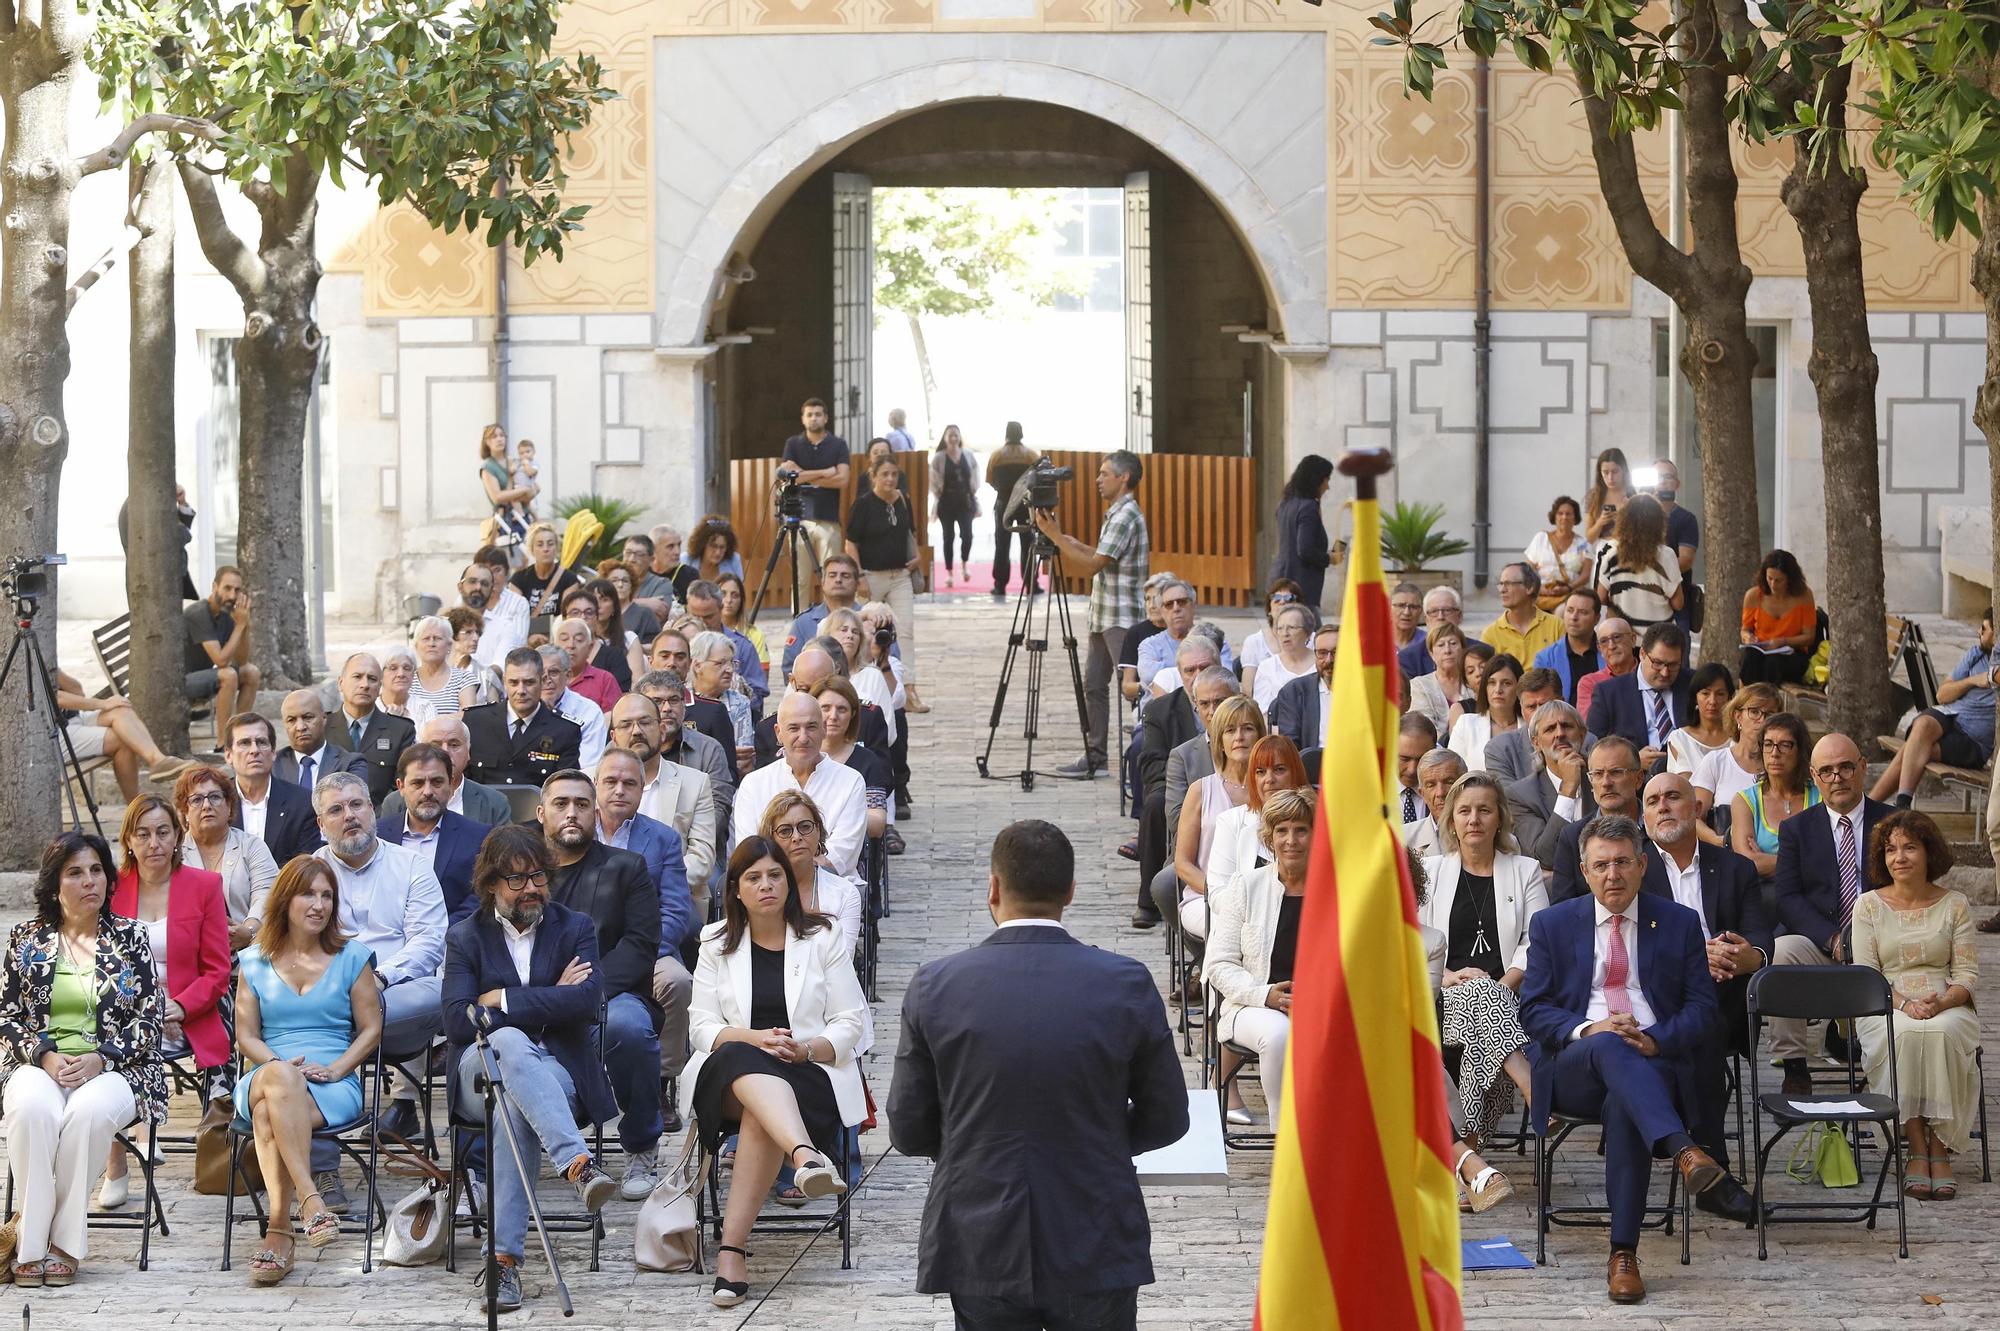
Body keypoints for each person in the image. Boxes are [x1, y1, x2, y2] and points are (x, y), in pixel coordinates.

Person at [890, 818, 1186, 1330]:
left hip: (980, 1230)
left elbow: (908, 1126)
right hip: (1094, 1227)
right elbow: (1168, 1116)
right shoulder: (1125, 983)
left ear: (994, 887)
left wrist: (970, 1141)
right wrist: (1103, 1141)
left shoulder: (935, 985)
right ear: (1071, 891)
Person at [1517, 813, 1724, 1305]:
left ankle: (1623, 1254)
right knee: (1611, 1044)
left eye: (1623, 863)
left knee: (1626, 1106)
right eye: (1601, 865)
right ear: (1585, 872)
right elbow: (1535, 1011)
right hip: (1574, 1064)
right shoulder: (1552, 923)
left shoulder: (1678, 922)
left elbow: (1703, 1009)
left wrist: (1656, 1040)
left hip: (1655, 1064)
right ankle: (1682, 1147)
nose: (1613, 874)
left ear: (1642, 865)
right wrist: (1593, 1029)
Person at [441, 824, 617, 1312]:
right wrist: (547, 997)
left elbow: (586, 1002)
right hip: (478, 1068)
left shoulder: (574, 926)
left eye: (537, 876)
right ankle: (577, 1163)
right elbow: (458, 1020)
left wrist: (503, 998)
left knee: (511, 1108)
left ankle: (503, 1263)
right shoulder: (465, 937)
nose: (530, 888)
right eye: (515, 880)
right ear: (491, 884)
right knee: (509, 1042)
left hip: (557, 1070)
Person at [687, 839, 867, 1307]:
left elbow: (852, 1021)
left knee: (759, 1114)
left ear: (789, 882)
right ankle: (805, 1155)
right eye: (753, 878)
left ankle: (732, 1253)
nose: (766, 885)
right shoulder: (714, 942)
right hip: (725, 1074)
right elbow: (702, 1028)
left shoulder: (822, 937)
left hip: (805, 1073)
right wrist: (756, 1038)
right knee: (743, 1059)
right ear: (736, 889)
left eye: (775, 875)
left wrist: (805, 1050)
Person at [0, 833, 167, 1287]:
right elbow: (8, 1016)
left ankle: (62, 1244)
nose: (89, 880)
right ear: (55, 884)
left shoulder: (132, 937)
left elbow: (150, 1019)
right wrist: (46, 1056)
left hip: (118, 1067)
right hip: (39, 1065)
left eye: (96, 870)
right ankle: (32, 1246)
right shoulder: (26, 939)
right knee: (32, 1108)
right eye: (75, 872)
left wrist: (101, 1058)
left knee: (87, 1113)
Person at [232, 858, 383, 1284]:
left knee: (267, 1113)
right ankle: (311, 1199)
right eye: (307, 894)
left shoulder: (352, 957)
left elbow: (371, 1029)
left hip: (331, 1083)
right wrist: (277, 1064)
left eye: (326, 895)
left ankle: (279, 1231)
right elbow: (247, 1036)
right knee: (280, 1080)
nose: (318, 904)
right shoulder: (255, 960)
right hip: (268, 1069)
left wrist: (337, 1070)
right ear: (286, 900)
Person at [1639, 772, 1768, 1222]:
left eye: (1673, 797)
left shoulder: (1735, 868)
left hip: (1724, 992)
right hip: (1651, 999)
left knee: (1705, 1017)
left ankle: (1698, 1156)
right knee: (1699, 1022)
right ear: (1644, 816)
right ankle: (1712, 1164)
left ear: (1696, 809)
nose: (1663, 807)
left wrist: (1744, 955)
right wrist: (1693, 959)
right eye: (1652, 801)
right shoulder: (1632, 867)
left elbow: (1760, 942)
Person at [534, 769, 667, 1195]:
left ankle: (642, 1146)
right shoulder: (521, 873)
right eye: (561, 804)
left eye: (581, 804)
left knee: (630, 1028)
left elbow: (640, 945)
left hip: (611, 996)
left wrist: (582, 993)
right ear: (541, 813)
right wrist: (549, 996)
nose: (571, 813)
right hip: (534, 998)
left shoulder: (626, 868)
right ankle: (482, 1173)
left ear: (596, 812)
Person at [311, 770, 449, 1172]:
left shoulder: (412, 866)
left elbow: (428, 942)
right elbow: (294, 946)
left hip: (398, 996)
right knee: (311, 1019)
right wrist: (344, 988)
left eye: (357, 805)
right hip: (329, 997)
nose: (349, 815)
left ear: (372, 810)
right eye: (336, 810)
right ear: (321, 825)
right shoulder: (306, 873)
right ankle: (322, 1170)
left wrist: (380, 978)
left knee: (438, 991)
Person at [101, 792, 231, 1205]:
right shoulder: (110, 889)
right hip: (122, 1012)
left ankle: (136, 1135)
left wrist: (179, 1006)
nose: (154, 843)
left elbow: (218, 970)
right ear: (129, 841)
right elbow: (100, 968)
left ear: (178, 836)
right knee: (114, 1042)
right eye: (143, 834)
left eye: (162, 832)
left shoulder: (205, 886)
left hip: (187, 1015)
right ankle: (124, 1152)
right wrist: (145, 1011)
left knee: (123, 1046)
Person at [1851, 810, 1980, 1201]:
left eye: (1910, 847)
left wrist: (1941, 1001)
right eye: (1891, 849)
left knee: (1939, 1032)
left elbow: (1968, 975)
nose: (1899, 857)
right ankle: (1915, 1148)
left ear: (1929, 853)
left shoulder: (1955, 904)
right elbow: (1866, 976)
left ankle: (1939, 1146)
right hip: (1884, 1004)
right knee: (1905, 1034)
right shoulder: (1868, 906)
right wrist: (1905, 1004)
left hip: (1946, 1003)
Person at [1420, 772, 1547, 1149]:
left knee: (1482, 1006)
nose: (1473, 819)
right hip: (1444, 994)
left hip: (1510, 992)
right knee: (1478, 998)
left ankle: (1469, 1147)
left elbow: (1537, 941)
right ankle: (1530, 1085)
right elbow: (1413, 941)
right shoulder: (1431, 871)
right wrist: (1445, 975)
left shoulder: (1525, 870)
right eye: (1464, 811)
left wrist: (1502, 985)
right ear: (1452, 822)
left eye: (1484, 810)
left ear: (1499, 819)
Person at [1770, 732, 1893, 1094]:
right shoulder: (1796, 829)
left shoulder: (1892, 822)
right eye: (1827, 771)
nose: (1837, 777)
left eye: (1845, 768)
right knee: (1781, 953)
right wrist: (1833, 937)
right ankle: (1795, 1067)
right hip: (1823, 940)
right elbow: (1788, 898)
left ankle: (1877, 1061)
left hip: (1883, 940)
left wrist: (1867, 937)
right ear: (1814, 776)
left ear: (1863, 769)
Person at [1203, 787, 1319, 1129]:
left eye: (1301, 830)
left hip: (1320, 1006)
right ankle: (1287, 1140)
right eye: (1282, 831)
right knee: (1279, 1033)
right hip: (1252, 1007)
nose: (1291, 840)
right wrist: (1264, 994)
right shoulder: (1246, 886)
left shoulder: (1336, 892)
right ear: (1269, 839)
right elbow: (1219, 963)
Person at [1034, 450, 1149, 777]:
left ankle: (1145, 751)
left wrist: (1057, 537)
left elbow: (1095, 564)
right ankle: (1095, 754)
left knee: (1132, 687)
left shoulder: (1126, 514)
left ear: (1123, 477)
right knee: (1094, 685)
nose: (1098, 480)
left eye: (1104, 473)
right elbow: (1099, 555)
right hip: (1105, 614)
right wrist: (1064, 538)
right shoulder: (1116, 512)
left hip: (1121, 616)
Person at [594, 747, 698, 1071]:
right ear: (595, 785)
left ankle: (660, 1081)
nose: (619, 790)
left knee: (677, 981)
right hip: (585, 948)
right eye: (610, 781)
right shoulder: (576, 833)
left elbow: (677, 910)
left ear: (642, 789)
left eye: (630, 783)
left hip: (649, 949)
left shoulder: (663, 838)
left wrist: (639, 952)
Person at [736, 693, 868, 879]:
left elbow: (841, 854)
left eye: (811, 727)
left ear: (823, 729)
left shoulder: (851, 781)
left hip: (831, 888)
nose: (803, 737)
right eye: (794, 728)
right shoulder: (753, 784)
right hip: (767, 890)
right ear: (778, 733)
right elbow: (748, 850)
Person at [1871, 606, 1995, 806]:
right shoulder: (1976, 653)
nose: (1978, 632)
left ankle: (1881, 806)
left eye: (1984, 629)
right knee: (1923, 725)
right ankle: (1889, 807)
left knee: (1914, 747)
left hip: (1973, 742)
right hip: (1951, 715)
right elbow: (1942, 695)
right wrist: (1973, 681)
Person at [1166, 696, 1267, 941]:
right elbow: (1183, 864)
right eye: (1230, 730)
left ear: (1260, 736)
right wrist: (1223, 895)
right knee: (1232, 928)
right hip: (1206, 897)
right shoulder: (1201, 791)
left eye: (1247, 728)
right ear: (1220, 741)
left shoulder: (1271, 788)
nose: (1239, 737)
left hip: (1264, 898)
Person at [608, 693, 719, 903]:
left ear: (661, 730)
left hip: (673, 901)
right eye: (626, 725)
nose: (637, 731)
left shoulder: (695, 783)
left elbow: (702, 860)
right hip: (604, 901)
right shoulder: (589, 782)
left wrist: (644, 886)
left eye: (645, 722)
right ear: (613, 737)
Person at [845, 455, 926, 707]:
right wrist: (858, 575)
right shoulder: (863, 504)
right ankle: (862, 684)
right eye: (884, 474)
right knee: (864, 630)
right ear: (873, 476)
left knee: (905, 630)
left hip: (900, 575)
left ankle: (908, 689)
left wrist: (916, 555)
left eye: (894, 474)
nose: (890, 479)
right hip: (871, 575)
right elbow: (851, 543)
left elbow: (909, 533)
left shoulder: (902, 500)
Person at [378, 743, 491, 924]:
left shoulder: (478, 837)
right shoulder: (378, 835)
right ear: (401, 787)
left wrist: (440, 934)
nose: (428, 792)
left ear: (451, 784)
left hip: (451, 942)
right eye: (418, 783)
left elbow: (479, 897)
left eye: (437, 782)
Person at [50, 667, 198, 801]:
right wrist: (101, 703)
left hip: (70, 720)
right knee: (121, 741)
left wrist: (51, 667)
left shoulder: (42, 649)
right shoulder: (26, 658)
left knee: (121, 710)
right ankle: (136, 808)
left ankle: (157, 760)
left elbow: (77, 692)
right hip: (51, 734)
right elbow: (55, 697)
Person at [188, 742, 285, 948]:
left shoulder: (251, 846)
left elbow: (267, 895)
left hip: (247, 954)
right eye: (196, 800)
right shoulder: (174, 852)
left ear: (229, 805)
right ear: (183, 812)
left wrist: (249, 930)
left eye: (214, 797)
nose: (206, 806)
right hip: (189, 955)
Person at [1204, 735, 1308, 918]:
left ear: (1295, 772)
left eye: (1279, 770)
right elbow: (1218, 895)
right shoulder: (1230, 822)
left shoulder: (1315, 821)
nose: (1269, 779)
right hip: (1247, 926)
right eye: (1260, 772)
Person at [760, 790, 865, 960]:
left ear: (818, 830)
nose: (797, 837)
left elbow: (842, 963)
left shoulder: (845, 894)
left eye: (805, 827)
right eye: (785, 831)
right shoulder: (760, 890)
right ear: (771, 839)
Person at [464, 648, 584, 788]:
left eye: (529, 682)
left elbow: (567, 788)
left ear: (542, 681)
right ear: (504, 683)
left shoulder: (565, 731)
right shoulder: (476, 722)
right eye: (514, 682)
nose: (521, 691)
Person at [1549, 736, 1647, 902]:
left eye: (1616, 772)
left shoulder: (1658, 828)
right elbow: (1562, 909)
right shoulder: (1572, 837)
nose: (1606, 783)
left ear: (1638, 779)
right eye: (1598, 774)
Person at [1586, 621, 1691, 772]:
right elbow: (1592, 748)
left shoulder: (1693, 684)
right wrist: (1632, 761)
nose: (1665, 672)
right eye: (1658, 663)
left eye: (1673, 665)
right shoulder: (1609, 694)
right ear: (1642, 653)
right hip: (1635, 783)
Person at [1729, 711, 1820, 880]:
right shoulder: (1744, 800)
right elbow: (1747, 863)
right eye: (1768, 744)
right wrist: (1806, 861)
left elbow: (1831, 859)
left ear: (1800, 750)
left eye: (1785, 745)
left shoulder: (1820, 796)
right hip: (1764, 900)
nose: (1775, 753)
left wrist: (1769, 861)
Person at [380, 715, 513, 827]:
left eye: (454, 745)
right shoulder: (394, 802)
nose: (445, 752)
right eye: (435, 745)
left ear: (468, 752)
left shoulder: (494, 802)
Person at [1506, 700, 1590, 870]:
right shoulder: (1520, 795)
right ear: (1536, 743)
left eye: (1566, 726)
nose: (1559, 733)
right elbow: (1545, 858)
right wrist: (1568, 789)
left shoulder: (1603, 777)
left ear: (1582, 735)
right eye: (1550, 729)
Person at [812, 676, 895, 847]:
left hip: (852, 853)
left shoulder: (867, 761)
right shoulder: (798, 756)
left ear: (853, 714)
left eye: (842, 709)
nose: (833, 716)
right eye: (825, 708)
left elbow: (877, 823)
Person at [326, 652, 417, 806]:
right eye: (357, 677)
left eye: (372, 679)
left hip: (380, 821)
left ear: (380, 687)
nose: (365, 685)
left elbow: (402, 788)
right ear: (340, 683)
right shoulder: (323, 727)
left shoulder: (400, 730)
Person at [777, 397, 852, 571]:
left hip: (829, 520)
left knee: (832, 575)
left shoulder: (838, 445)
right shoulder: (793, 444)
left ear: (826, 418)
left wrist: (802, 474)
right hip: (799, 520)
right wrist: (824, 473)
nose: (814, 418)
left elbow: (843, 480)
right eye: (809, 415)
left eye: (818, 414)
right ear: (803, 419)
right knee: (800, 580)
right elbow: (787, 479)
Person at [1691, 683, 1779, 827]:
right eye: (1754, 712)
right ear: (1738, 716)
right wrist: (1719, 841)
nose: (1762, 720)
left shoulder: (1780, 763)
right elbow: (1694, 818)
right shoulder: (1716, 762)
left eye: (1769, 715)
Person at [1592, 495, 1683, 632]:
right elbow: (1678, 603)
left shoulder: (1611, 553)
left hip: (1620, 636)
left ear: (1623, 520)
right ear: (1658, 522)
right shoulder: (1666, 555)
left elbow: (1601, 597)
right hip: (1657, 638)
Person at [183, 565, 262, 722]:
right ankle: (223, 743)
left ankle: (241, 729)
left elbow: (242, 661)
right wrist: (239, 626)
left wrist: (244, 625)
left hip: (200, 679)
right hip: (179, 683)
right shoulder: (198, 613)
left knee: (251, 672)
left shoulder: (226, 613)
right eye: (227, 588)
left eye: (237, 590)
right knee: (228, 675)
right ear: (215, 587)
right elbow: (220, 661)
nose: (232, 595)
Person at [1737, 549, 1818, 686]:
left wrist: (1783, 641)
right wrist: (1748, 637)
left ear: (1790, 579)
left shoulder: (1804, 596)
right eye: (1770, 578)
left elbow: (1809, 637)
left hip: (1791, 652)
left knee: (1773, 662)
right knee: (1749, 657)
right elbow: (1745, 630)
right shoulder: (1753, 596)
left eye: (1779, 580)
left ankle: (1769, 702)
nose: (1773, 584)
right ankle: (1747, 699)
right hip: (1761, 649)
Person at [1271, 454, 1334, 610]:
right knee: (1309, 630)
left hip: (1281, 581)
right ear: (1317, 480)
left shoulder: (1286, 503)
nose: (1328, 486)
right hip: (1300, 587)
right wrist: (1329, 558)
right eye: (1327, 480)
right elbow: (1305, 549)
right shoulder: (1308, 507)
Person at [985, 421, 1040, 598]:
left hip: (1004, 503)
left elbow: (990, 479)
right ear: (1021, 434)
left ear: (1006, 435)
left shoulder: (997, 456)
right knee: (1028, 543)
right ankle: (1031, 583)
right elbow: (1036, 480)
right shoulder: (1031, 455)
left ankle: (1000, 585)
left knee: (1002, 544)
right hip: (1025, 504)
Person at [117, 481, 198, 601]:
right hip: (152, 586)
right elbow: (177, 538)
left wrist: (182, 503)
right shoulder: (141, 507)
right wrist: (180, 528)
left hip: (162, 584)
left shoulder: (145, 502)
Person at [1484, 668, 1565, 786]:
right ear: (1521, 709)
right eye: (1531, 707)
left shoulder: (1585, 742)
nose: (1538, 714)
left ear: (1562, 704)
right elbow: (1508, 798)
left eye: (1544, 706)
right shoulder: (1499, 749)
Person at [1448, 651, 1523, 774]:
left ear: (1519, 687)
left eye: (1506, 683)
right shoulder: (1466, 724)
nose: (1498, 690)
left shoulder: (1532, 727)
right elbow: (1451, 772)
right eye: (1492, 683)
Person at [1268, 623, 1338, 753]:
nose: (1329, 660)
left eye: (1336, 652)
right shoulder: (1294, 693)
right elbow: (1290, 748)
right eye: (1322, 653)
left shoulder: (1365, 692)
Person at [1531, 588, 1604, 705]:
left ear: (1597, 618)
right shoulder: (1545, 658)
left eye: (1583, 612)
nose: (1574, 617)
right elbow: (1541, 703)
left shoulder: (1609, 652)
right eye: (1570, 610)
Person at [405, 616, 480, 728]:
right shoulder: (407, 679)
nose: (431, 644)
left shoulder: (464, 679)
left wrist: (428, 721)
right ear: (416, 646)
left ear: (449, 645)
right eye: (426, 638)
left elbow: (469, 716)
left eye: (437, 638)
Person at [929, 424, 979, 588]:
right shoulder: (939, 457)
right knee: (948, 537)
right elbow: (933, 478)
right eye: (950, 435)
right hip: (946, 502)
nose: (953, 438)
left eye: (955, 435)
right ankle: (949, 572)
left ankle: (964, 565)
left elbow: (975, 474)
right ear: (945, 438)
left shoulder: (968, 455)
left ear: (959, 437)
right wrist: (938, 493)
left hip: (965, 501)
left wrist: (973, 491)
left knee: (968, 535)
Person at [1525, 495, 1595, 613]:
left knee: (1562, 613)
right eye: (1560, 513)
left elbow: (1586, 575)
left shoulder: (1583, 544)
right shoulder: (1541, 538)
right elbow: (1528, 568)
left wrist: (1568, 588)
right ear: (1554, 516)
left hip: (1568, 595)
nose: (1564, 517)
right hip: (1541, 593)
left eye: (1569, 514)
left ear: (1575, 517)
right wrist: (1538, 588)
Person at [1483, 562, 1563, 663]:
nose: (1502, 590)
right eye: (1501, 584)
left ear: (1529, 588)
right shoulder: (1491, 634)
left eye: (1508, 584)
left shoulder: (1556, 626)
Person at [1667, 662, 1736, 777]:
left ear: (1729, 698)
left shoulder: (1737, 737)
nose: (1712, 701)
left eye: (1720, 694)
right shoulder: (1680, 738)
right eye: (1705, 693)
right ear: (1695, 698)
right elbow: (1686, 784)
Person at [458, 558, 527, 673]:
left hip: (487, 689)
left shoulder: (505, 628)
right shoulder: (444, 626)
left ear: (491, 591)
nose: (478, 587)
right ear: (460, 587)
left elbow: (500, 668)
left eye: (484, 584)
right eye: (472, 581)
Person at [1408, 621, 1475, 736]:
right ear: (1431, 653)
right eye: (1440, 645)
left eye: (1453, 643)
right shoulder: (1419, 686)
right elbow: (1424, 728)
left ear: (1463, 649)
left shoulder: (1475, 683)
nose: (1447, 650)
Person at [478, 423, 537, 550]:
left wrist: (526, 491)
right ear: (487, 442)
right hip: (506, 520)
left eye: (502, 435)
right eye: (494, 436)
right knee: (515, 560)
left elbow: (534, 487)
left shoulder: (514, 461)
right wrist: (523, 490)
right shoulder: (488, 467)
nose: (499, 439)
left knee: (529, 559)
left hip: (525, 515)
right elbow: (498, 497)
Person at [1249, 603, 1315, 714]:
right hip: (1278, 730)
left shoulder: (1321, 663)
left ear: (1307, 632)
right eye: (1280, 628)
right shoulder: (1267, 667)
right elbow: (1262, 714)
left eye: (1292, 628)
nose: (1285, 633)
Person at [549, 616, 622, 715]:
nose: (571, 645)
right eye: (564, 639)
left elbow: (614, 719)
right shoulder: (545, 680)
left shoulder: (605, 680)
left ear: (590, 648)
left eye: (578, 639)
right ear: (554, 646)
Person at [509, 521, 580, 623]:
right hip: (527, 635)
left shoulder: (569, 579)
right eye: (540, 545)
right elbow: (515, 618)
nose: (545, 549)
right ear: (532, 549)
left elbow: (567, 617)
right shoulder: (518, 580)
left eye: (550, 544)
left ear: (557, 548)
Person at [1407, 748, 1466, 859]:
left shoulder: (1489, 835)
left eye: (1449, 782)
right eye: (1431, 785)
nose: (1440, 793)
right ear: (1422, 794)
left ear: (1465, 786)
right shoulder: (1403, 839)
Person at [1398, 585, 1465, 680]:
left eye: (1447, 610)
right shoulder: (1408, 658)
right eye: (1434, 611)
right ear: (1426, 620)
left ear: (1459, 616)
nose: (1440, 617)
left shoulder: (1481, 652)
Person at [715, 572, 769, 680]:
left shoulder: (755, 635)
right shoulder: (703, 630)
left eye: (735, 595)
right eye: (723, 594)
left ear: (741, 601)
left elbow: (762, 679)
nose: (729, 600)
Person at [597, 560, 661, 647]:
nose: (620, 585)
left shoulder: (645, 614)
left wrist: (633, 647)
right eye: (614, 581)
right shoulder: (599, 612)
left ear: (632, 586)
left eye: (625, 581)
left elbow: (656, 646)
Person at [1582, 446, 1636, 543]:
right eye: (1605, 472)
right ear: (1600, 473)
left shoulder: (1632, 494)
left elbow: (1641, 531)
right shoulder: (1594, 496)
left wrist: (1627, 514)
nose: (1610, 477)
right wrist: (1600, 522)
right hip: (1602, 550)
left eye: (1615, 472)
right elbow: (1589, 539)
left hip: (1627, 548)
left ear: (1623, 470)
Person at [378, 647, 417, 719]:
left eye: (407, 668)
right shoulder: (369, 708)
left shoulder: (424, 708)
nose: (401, 674)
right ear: (380, 674)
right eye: (393, 668)